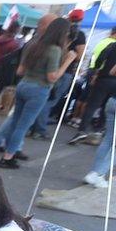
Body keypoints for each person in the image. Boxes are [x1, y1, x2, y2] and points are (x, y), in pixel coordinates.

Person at [0, 17, 78, 169]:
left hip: (23, 85)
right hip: (39, 89)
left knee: (16, 122)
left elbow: (20, 70)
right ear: (63, 33)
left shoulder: (34, 45)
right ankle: (8, 156)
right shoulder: (54, 50)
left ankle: (9, 151)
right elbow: (52, 77)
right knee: (23, 126)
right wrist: (68, 62)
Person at [30, 9, 86, 137]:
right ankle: (40, 129)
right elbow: (80, 55)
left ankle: (33, 126)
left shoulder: (56, 32)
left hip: (45, 68)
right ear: (81, 20)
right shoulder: (78, 34)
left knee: (44, 98)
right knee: (50, 100)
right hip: (63, 71)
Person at [69, 31, 116, 145]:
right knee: (107, 107)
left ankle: (82, 130)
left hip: (104, 78)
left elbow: (100, 58)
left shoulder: (111, 45)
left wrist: (95, 71)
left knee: (92, 105)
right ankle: (99, 131)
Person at [84, 98, 116, 188]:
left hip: (112, 101)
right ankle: (98, 174)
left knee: (108, 139)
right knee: (110, 141)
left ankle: (94, 172)